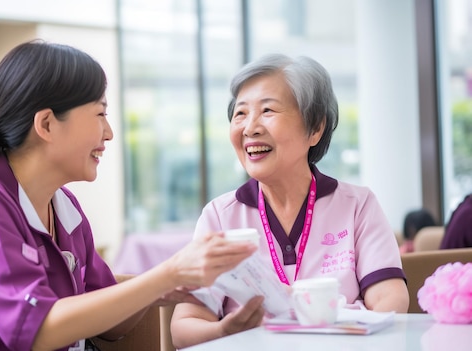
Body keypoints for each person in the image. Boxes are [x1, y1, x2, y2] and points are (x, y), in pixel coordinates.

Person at [0, 40, 257, 351]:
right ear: (47, 124)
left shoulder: (63, 206)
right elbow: (36, 331)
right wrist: (164, 275)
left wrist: (167, 287)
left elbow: (111, 325)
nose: (110, 133)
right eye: (100, 113)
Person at [170, 54, 410, 348]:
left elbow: (391, 301)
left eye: (268, 110)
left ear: (315, 128)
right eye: (241, 113)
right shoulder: (220, 216)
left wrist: (319, 320)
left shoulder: (357, 205)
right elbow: (183, 328)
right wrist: (225, 330)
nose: (250, 128)